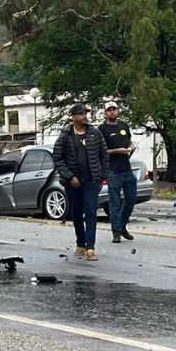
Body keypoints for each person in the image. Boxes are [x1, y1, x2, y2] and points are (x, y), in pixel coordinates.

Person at [53, 103, 109, 261]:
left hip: (91, 180)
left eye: (85, 113)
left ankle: (90, 246)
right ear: (73, 116)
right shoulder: (65, 136)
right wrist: (70, 176)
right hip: (73, 181)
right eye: (80, 113)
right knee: (76, 213)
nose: (84, 116)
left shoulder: (95, 133)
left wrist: (102, 175)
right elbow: (57, 158)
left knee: (91, 212)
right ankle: (80, 243)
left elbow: (104, 155)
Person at [98, 101, 137, 243]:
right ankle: (116, 231)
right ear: (105, 113)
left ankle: (122, 225)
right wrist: (116, 151)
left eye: (114, 109)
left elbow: (128, 142)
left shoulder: (124, 126)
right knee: (114, 202)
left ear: (118, 111)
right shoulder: (101, 129)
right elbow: (101, 151)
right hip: (112, 170)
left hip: (126, 168)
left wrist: (131, 147)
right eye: (109, 110)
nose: (112, 112)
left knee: (131, 199)